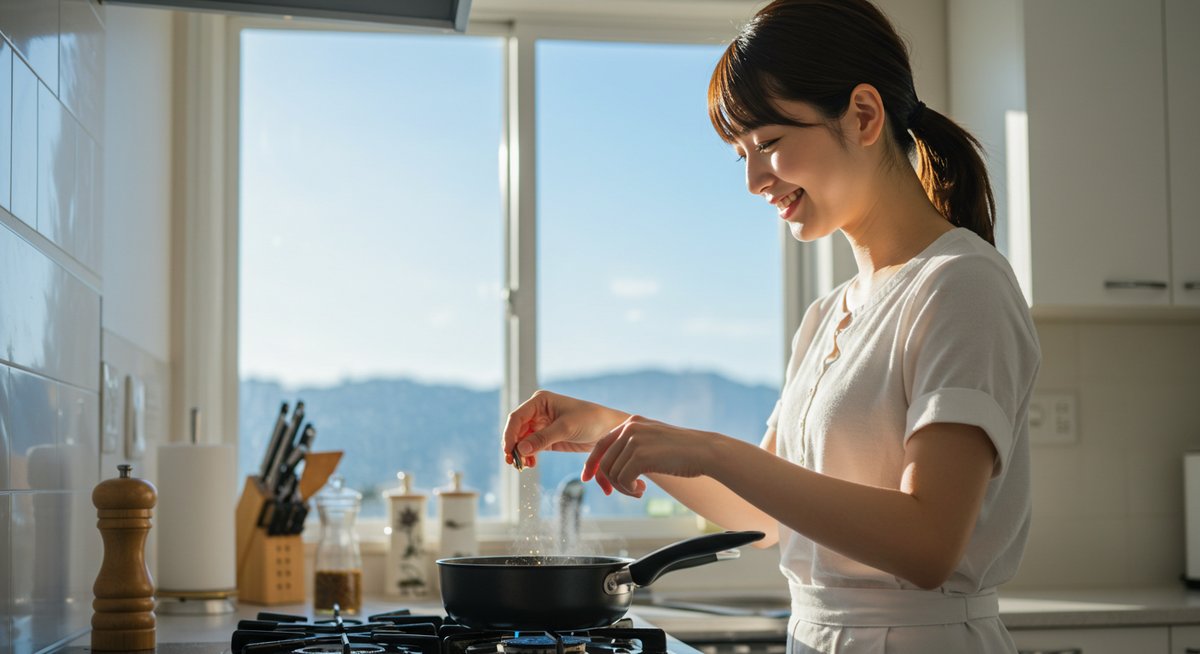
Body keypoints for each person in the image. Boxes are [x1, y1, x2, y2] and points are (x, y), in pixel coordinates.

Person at [501, 0, 1041, 652]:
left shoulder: (960, 284)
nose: (755, 178)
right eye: (742, 154)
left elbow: (927, 546)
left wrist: (712, 448)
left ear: (863, 116)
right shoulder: (826, 317)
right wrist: (604, 427)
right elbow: (764, 517)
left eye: (771, 145)